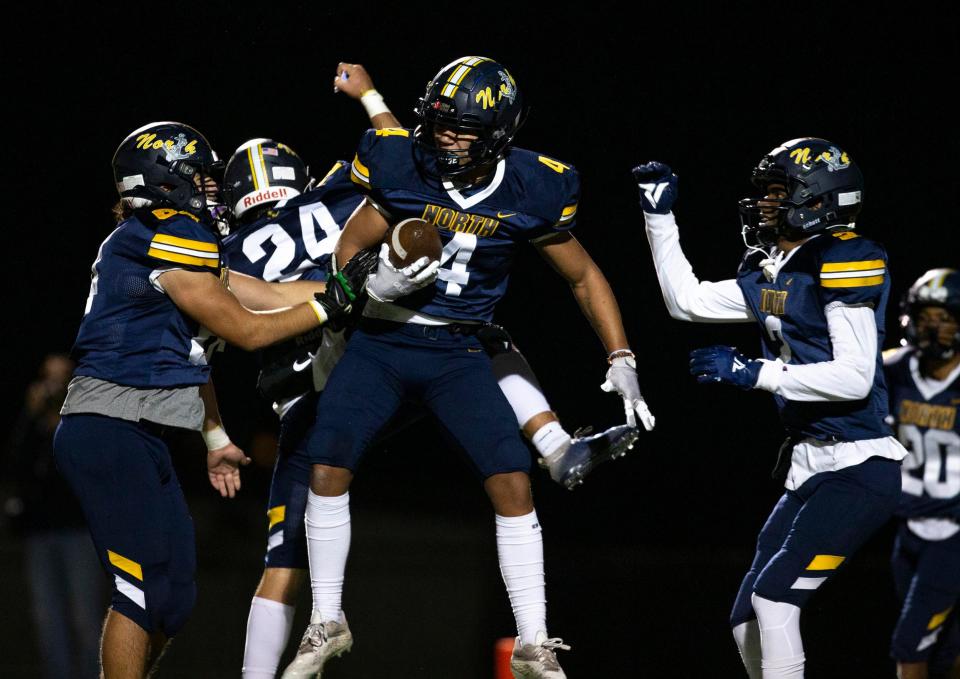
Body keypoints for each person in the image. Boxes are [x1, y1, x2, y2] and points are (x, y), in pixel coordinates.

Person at [232, 65, 644, 679]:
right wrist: (367, 284)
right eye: (439, 124)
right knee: (329, 462)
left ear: (499, 133)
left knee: (510, 477)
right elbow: (350, 243)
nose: (443, 138)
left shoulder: (535, 185)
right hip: (380, 338)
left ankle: (533, 639)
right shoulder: (401, 161)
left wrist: (621, 355)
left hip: (454, 350)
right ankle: (328, 620)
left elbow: (582, 276)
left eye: (460, 130)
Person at [52, 121, 372, 679]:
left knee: (173, 596)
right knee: (141, 588)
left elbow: (263, 299)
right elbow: (247, 329)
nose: (212, 189)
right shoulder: (169, 229)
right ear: (165, 183)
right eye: (199, 178)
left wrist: (357, 287)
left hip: (138, 428)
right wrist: (330, 306)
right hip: (105, 424)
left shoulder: (164, 241)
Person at [634, 138, 907, 678]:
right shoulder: (775, 268)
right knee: (746, 618)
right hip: (811, 466)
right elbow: (684, 302)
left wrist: (754, 371)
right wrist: (659, 219)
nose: (763, 203)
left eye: (777, 192)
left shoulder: (846, 257)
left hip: (862, 465)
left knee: (775, 601)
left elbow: (855, 378)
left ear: (818, 199)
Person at [5, 353, 104, 679]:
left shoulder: (84, 418)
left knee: (84, 618)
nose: (54, 386)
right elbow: (16, 467)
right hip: (39, 534)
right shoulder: (31, 428)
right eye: (48, 377)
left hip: (78, 532)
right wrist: (30, 416)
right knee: (47, 618)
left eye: (61, 377)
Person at [885, 268, 960, 679]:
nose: (933, 326)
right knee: (945, 648)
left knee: (909, 645)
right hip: (908, 532)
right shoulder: (893, 369)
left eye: (945, 316)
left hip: (954, 533)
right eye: (926, 315)